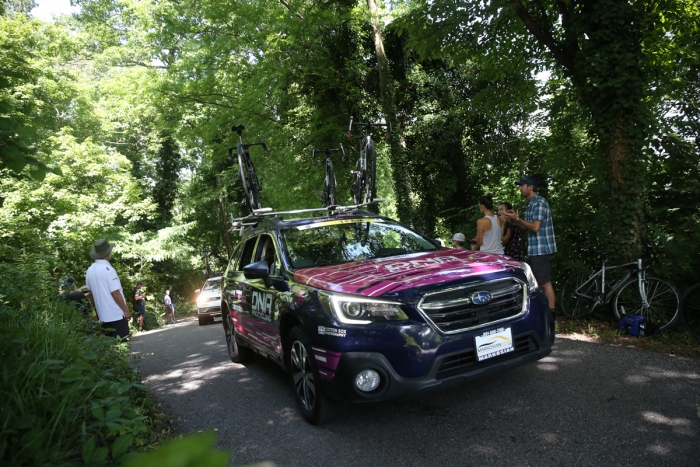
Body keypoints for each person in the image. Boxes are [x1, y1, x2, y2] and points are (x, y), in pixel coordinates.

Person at [505, 175, 557, 312]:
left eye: (522, 186)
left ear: (531, 187)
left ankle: (552, 316)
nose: (520, 188)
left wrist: (517, 218)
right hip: (535, 250)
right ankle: (544, 312)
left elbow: (535, 227)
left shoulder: (539, 202)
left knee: (545, 283)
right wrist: (515, 220)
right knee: (540, 283)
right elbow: (525, 228)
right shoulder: (530, 204)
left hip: (542, 249)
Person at [85, 239, 132, 340]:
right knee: (122, 344)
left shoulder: (90, 270)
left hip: (102, 317)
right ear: (108, 253)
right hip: (116, 316)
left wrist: (94, 312)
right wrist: (126, 311)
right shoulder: (109, 270)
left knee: (110, 347)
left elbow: (91, 294)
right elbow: (115, 293)